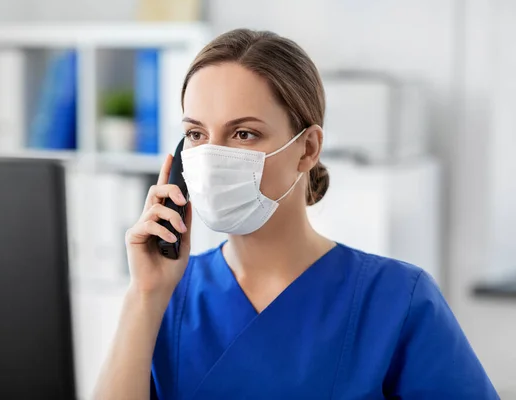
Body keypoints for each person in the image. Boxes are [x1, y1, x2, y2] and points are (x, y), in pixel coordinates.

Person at [94, 29, 498, 400]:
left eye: (244, 134)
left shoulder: (395, 299)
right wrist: (144, 295)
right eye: (197, 134)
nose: (212, 157)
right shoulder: (165, 297)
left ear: (307, 149)